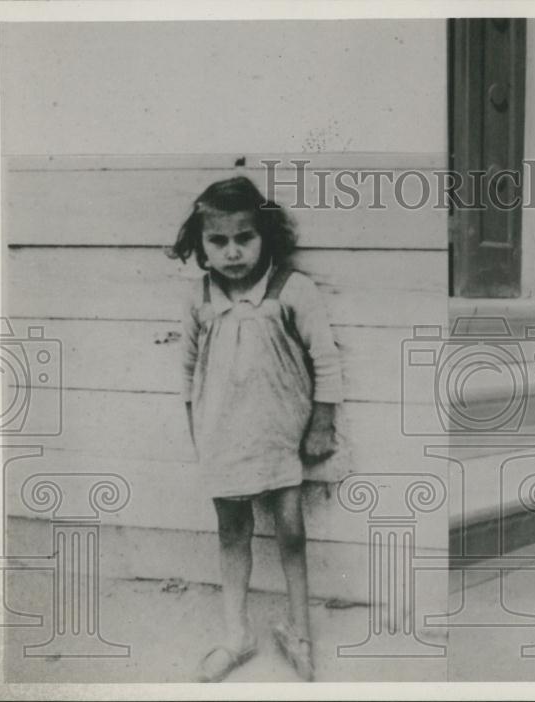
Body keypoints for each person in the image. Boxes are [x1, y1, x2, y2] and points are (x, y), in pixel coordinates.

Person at [169, 176, 343, 680]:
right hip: (222, 435)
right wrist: (196, 430)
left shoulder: (293, 290)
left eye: (243, 238)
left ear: (265, 235)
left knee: (291, 530)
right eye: (217, 241)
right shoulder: (200, 297)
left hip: (278, 434)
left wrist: (322, 423)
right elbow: (187, 371)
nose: (232, 251)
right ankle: (237, 633)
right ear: (201, 245)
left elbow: (326, 361)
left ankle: (298, 627)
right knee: (232, 530)